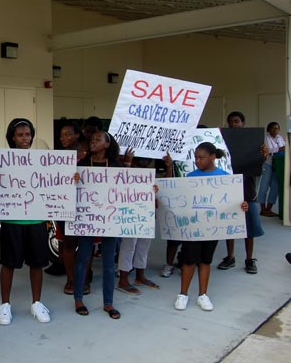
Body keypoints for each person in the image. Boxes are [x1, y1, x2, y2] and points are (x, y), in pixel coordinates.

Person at [173, 143, 249, 312]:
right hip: (193, 227)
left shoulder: (225, 177)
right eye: (196, 158)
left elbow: (234, 202)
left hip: (212, 228)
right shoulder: (190, 176)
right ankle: (183, 294)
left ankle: (203, 295)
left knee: (206, 260)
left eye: (201, 157)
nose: (197, 161)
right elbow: (179, 199)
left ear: (213, 157)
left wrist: (242, 205)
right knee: (189, 261)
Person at [0, 118, 51, 326]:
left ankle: (36, 303)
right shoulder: (3, 160)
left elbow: (55, 182)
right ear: (12, 137)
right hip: (12, 219)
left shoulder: (42, 160)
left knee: (37, 264)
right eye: (20, 135)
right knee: (8, 263)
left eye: (27, 134)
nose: (25, 138)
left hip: (36, 219)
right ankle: (4, 305)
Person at [72, 131, 122, 319]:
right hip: (87, 219)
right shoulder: (82, 165)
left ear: (107, 144)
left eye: (97, 139)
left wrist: (150, 189)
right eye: (91, 139)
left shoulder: (116, 166)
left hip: (110, 220)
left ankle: (108, 303)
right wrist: (73, 180)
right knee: (82, 259)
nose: (92, 141)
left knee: (109, 263)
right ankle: (78, 299)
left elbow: (128, 189)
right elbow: (69, 188)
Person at [216, 111, 266, 274]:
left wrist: (263, 155)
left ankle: (249, 259)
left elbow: (258, 163)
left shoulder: (252, 142)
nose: (233, 124)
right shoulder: (222, 142)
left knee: (249, 227)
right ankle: (230, 257)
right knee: (230, 226)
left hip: (247, 190)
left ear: (243, 123)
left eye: (236, 121)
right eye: (230, 121)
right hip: (228, 190)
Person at [47, 121, 89, 294]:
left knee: (86, 243)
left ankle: (85, 279)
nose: (63, 137)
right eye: (61, 135)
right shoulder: (59, 157)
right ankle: (71, 279)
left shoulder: (88, 155)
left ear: (77, 134)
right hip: (64, 203)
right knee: (67, 243)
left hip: (86, 204)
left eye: (68, 134)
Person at [116, 154, 162, 295]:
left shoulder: (149, 173)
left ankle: (140, 276)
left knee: (144, 244)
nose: (145, 160)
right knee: (129, 245)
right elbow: (121, 184)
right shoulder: (125, 168)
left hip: (145, 213)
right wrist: (127, 164)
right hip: (129, 213)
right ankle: (123, 279)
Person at [258, 121, 285, 217]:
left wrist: (280, 149)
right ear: (269, 129)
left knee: (275, 186)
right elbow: (267, 149)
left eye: (277, 128)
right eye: (273, 128)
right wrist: (279, 149)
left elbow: (284, 148)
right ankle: (262, 209)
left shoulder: (280, 138)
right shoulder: (265, 137)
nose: (275, 130)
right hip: (267, 164)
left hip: (278, 165)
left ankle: (269, 209)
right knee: (264, 187)